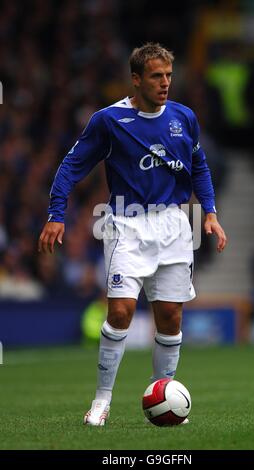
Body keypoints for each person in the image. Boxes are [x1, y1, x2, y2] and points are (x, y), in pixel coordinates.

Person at [38, 43, 227, 426]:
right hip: (127, 224)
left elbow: (198, 164)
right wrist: (56, 214)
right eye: (157, 76)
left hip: (175, 224)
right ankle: (101, 401)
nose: (165, 84)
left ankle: (162, 396)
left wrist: (210, 212)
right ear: (137, 79)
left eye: (169, 76)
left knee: (170, 318)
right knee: (121, 311)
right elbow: (71, 166)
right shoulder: (109, 120)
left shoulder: (184, 117)